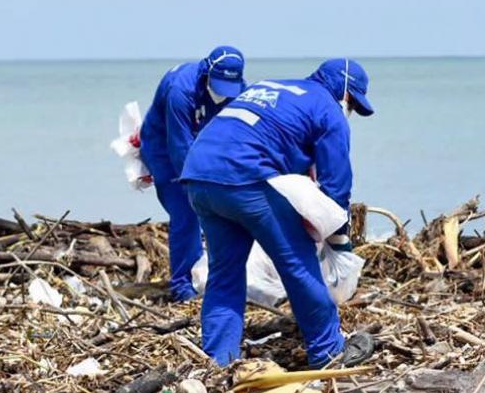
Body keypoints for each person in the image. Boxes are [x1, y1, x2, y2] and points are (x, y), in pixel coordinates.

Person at [180, 58, 375, 368]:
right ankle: (329, 352)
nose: (350, 110)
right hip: (246, 178)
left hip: (199, 176)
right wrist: (339, 239)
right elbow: (336, 185)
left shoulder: (272, 87)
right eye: (354, 104)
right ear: (346, 94)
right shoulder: (329, 109)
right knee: (297, 264)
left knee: (224, 274)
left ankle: (218, 362)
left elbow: (275, 146)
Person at [139, 46, 246, 302]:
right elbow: (179, 147)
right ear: (207, 74)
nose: (224, 94)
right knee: (186, 210)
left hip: (203, 142)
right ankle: (182, 286)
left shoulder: (239, 89)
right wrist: (199, 188)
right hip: (164, 147)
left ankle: (216, 274)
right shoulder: (181, 90)